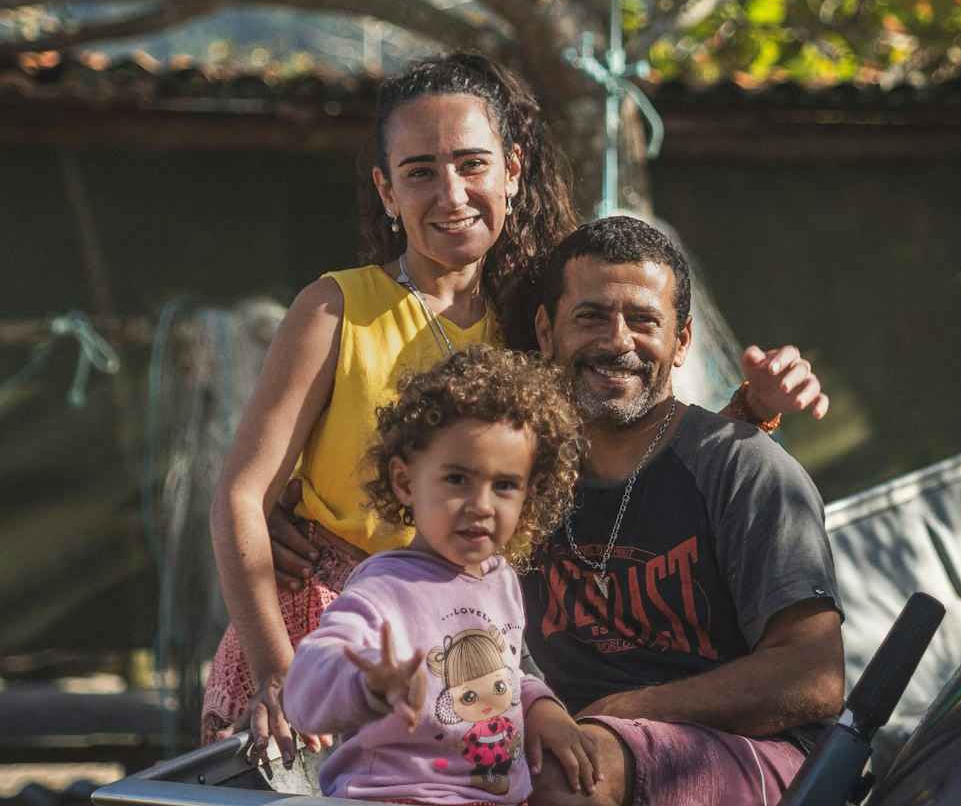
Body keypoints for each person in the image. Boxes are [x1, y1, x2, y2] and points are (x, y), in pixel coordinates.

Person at [208, 48, 828, 762]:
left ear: (514, 171)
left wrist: (750, 412)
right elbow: (240, 496)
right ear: (385, 190)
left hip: (468, 649)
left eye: (472, 164)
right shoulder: (335, 309)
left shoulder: (542, 326)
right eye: (419, 171)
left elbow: (633, 458)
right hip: (327, 646)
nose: (451, 193)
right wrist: (278, 673)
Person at [519, 217, 845, 806]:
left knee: (561, 770)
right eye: (592, 316)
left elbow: (814, 677)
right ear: (546, 332)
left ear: (681, 341)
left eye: (643, 320)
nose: (618, 341)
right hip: (580, 760)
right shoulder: (518, 480)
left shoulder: (741, 468)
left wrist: (623, 712)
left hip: (761, 771)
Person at [282, 345, 675, 806]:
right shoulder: (382, 590)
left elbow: (503, 669)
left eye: (505, 485)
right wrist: (369, 684)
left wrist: (540, 706)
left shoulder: (498, 578)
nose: (480, 505)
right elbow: (306, 686)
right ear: (403, 482)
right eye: (457, 479)